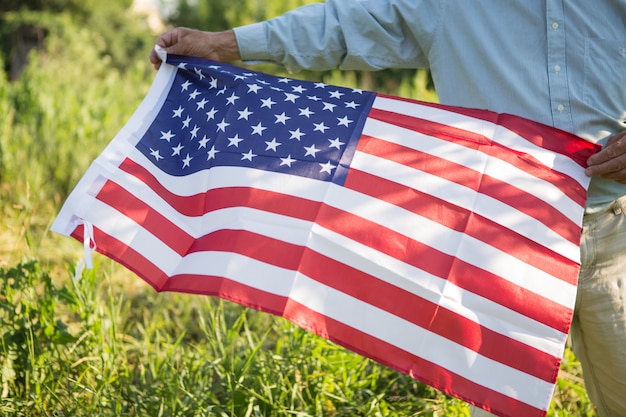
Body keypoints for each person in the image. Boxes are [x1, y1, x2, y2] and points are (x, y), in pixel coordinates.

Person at [150, 1, 626, 415]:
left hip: (617, 232)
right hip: (496, 250)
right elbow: (343, 24)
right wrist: (225, 45)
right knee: (500, 406)